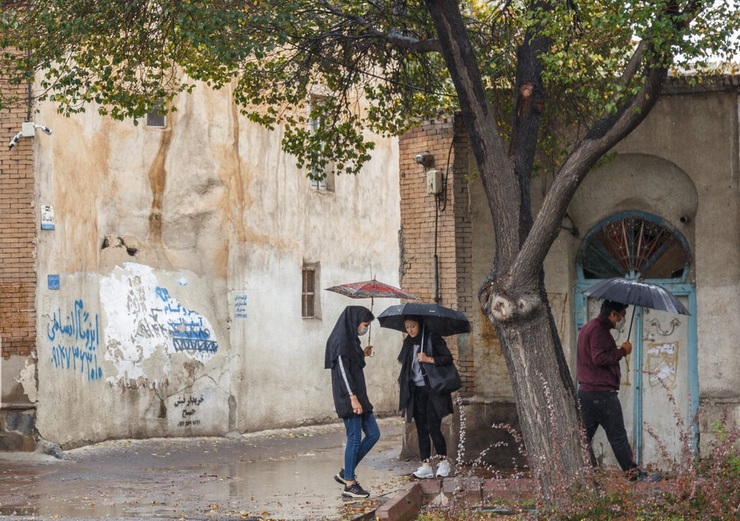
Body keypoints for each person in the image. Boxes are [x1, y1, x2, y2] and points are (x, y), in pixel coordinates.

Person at [577, 299, 661, 482]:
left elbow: (595, 357)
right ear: (613, 314)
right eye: (622, 315)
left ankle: (572, 474)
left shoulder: (589, 328)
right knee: (618, 437)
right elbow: (599, 358)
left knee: (582, 438)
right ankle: (636, 476)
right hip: (602, 394)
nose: (622, 319)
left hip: (587, 392)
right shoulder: (599, 330)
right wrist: (622, 351)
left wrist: (617, 349)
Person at [324, 305, 381, 498]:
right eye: (365, 324)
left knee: (373, 433)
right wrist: (353, 399)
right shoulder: (340, 341)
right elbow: (342, 371)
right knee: (354, 438)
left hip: (359, 396)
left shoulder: (351, 341)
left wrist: (362, 353)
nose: (365, 329)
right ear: (355, 321)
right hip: (349, 398)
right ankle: (349, 483)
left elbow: (353, 364)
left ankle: (345, 472)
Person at [397, 315, 454, 479]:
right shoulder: (408, 342)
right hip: (416, 392)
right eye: (407, 327)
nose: (410, 330)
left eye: (413, 326)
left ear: (420, 325)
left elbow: (447, 358)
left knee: (433, 427)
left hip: (433, 391)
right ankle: (425, 465)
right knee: (421, 428)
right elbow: (404, 363)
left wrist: (428, 359)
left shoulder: (432, 338)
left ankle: (444, 462)